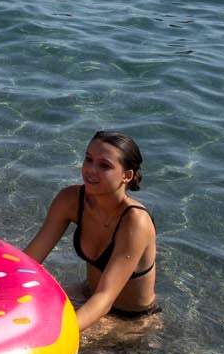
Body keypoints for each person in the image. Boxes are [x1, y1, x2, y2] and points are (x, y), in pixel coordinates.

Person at [22, 131, 158, 329]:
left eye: (104, 165)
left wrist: (62, 334)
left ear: (127, 175)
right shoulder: (70, 200)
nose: (90, 170)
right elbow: (29, 261)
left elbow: (105, 297)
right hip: (87, 295)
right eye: (88, 159)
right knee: (24, 309)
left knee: (37, 334)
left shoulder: (135, 222)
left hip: (128, 320)